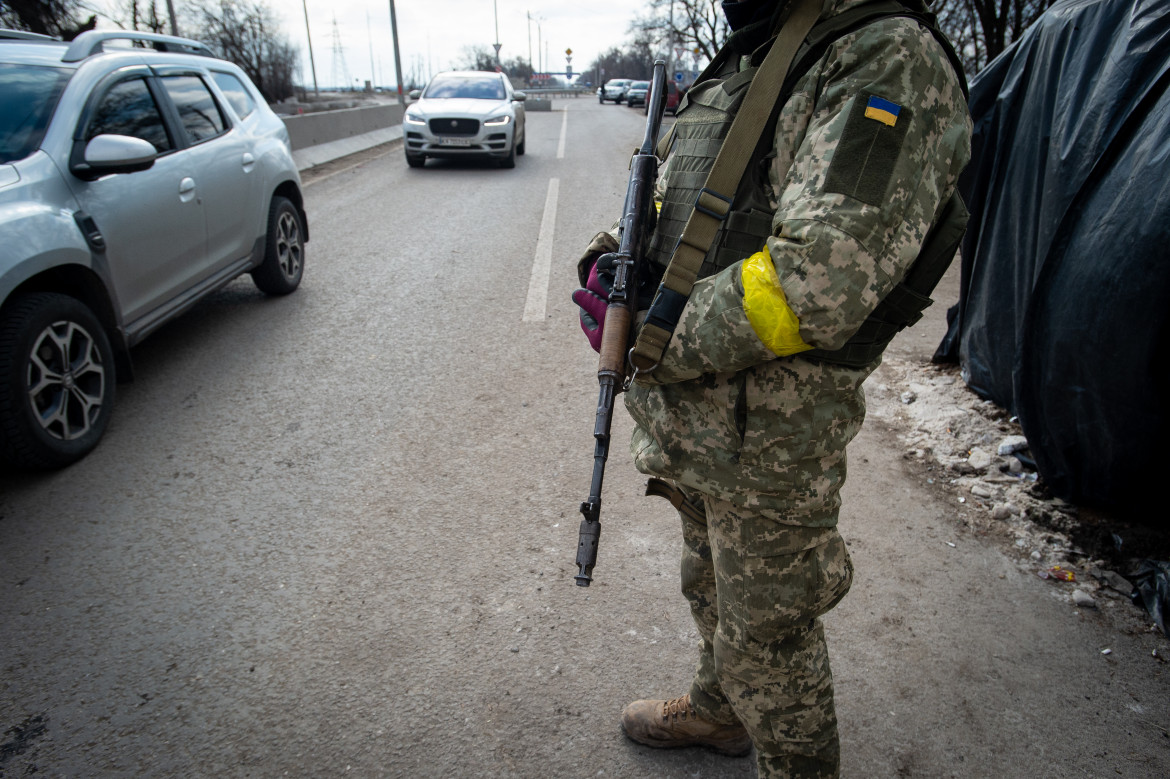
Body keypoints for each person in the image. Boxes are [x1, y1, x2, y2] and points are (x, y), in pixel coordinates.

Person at [571, 0, 972, 776]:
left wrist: (651, 339)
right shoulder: (754, 54)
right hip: (695, 415)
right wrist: (610, 260)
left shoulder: (884, 57)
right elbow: (677, 205)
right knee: (708, 582)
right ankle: (721, 714)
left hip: (771, 435)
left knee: (769, 637)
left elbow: (821, 278)